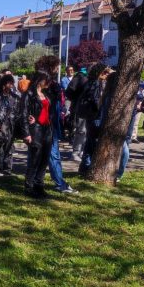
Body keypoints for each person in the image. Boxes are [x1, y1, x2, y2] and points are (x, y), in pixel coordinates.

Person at [36, 56, 75, 193]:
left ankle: (51, 181)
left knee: (47, 153)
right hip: (47, 123)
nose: (58, 69)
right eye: (57, 66)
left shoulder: (48, 83)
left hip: (51, 122)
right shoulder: (46, 84)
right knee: (53, 154)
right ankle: (59, 183)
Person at [21, 71, 54, 198]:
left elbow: (48, 110)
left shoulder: (46, 93)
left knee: (44, 159)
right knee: (34, 159)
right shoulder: (29, 94)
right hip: (36, 129)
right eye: (47, 79)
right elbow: (23, 114)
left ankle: (39, 186)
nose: (49, 82)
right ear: (40, 79)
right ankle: (29, 187)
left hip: (47, 129)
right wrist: (26, 133)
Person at [77, 64, 113, 176]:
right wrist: (101, 108)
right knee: (93, 142)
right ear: (100, 73)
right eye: (106, 73)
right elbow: (95, 100)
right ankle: (87, 166)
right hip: (95, 116)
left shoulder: (91, 82)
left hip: (91, 115)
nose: (107, 75)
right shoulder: (95, 84)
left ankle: (84, 167)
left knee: (90, 141)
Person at [65, 67, 89, 161]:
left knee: (86, 132)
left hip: (88, 109)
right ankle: (76, 152)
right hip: (81, 109)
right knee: (81, 131)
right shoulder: (80, 77)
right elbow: (69, 92)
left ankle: (82, 151)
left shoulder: (89, 78)